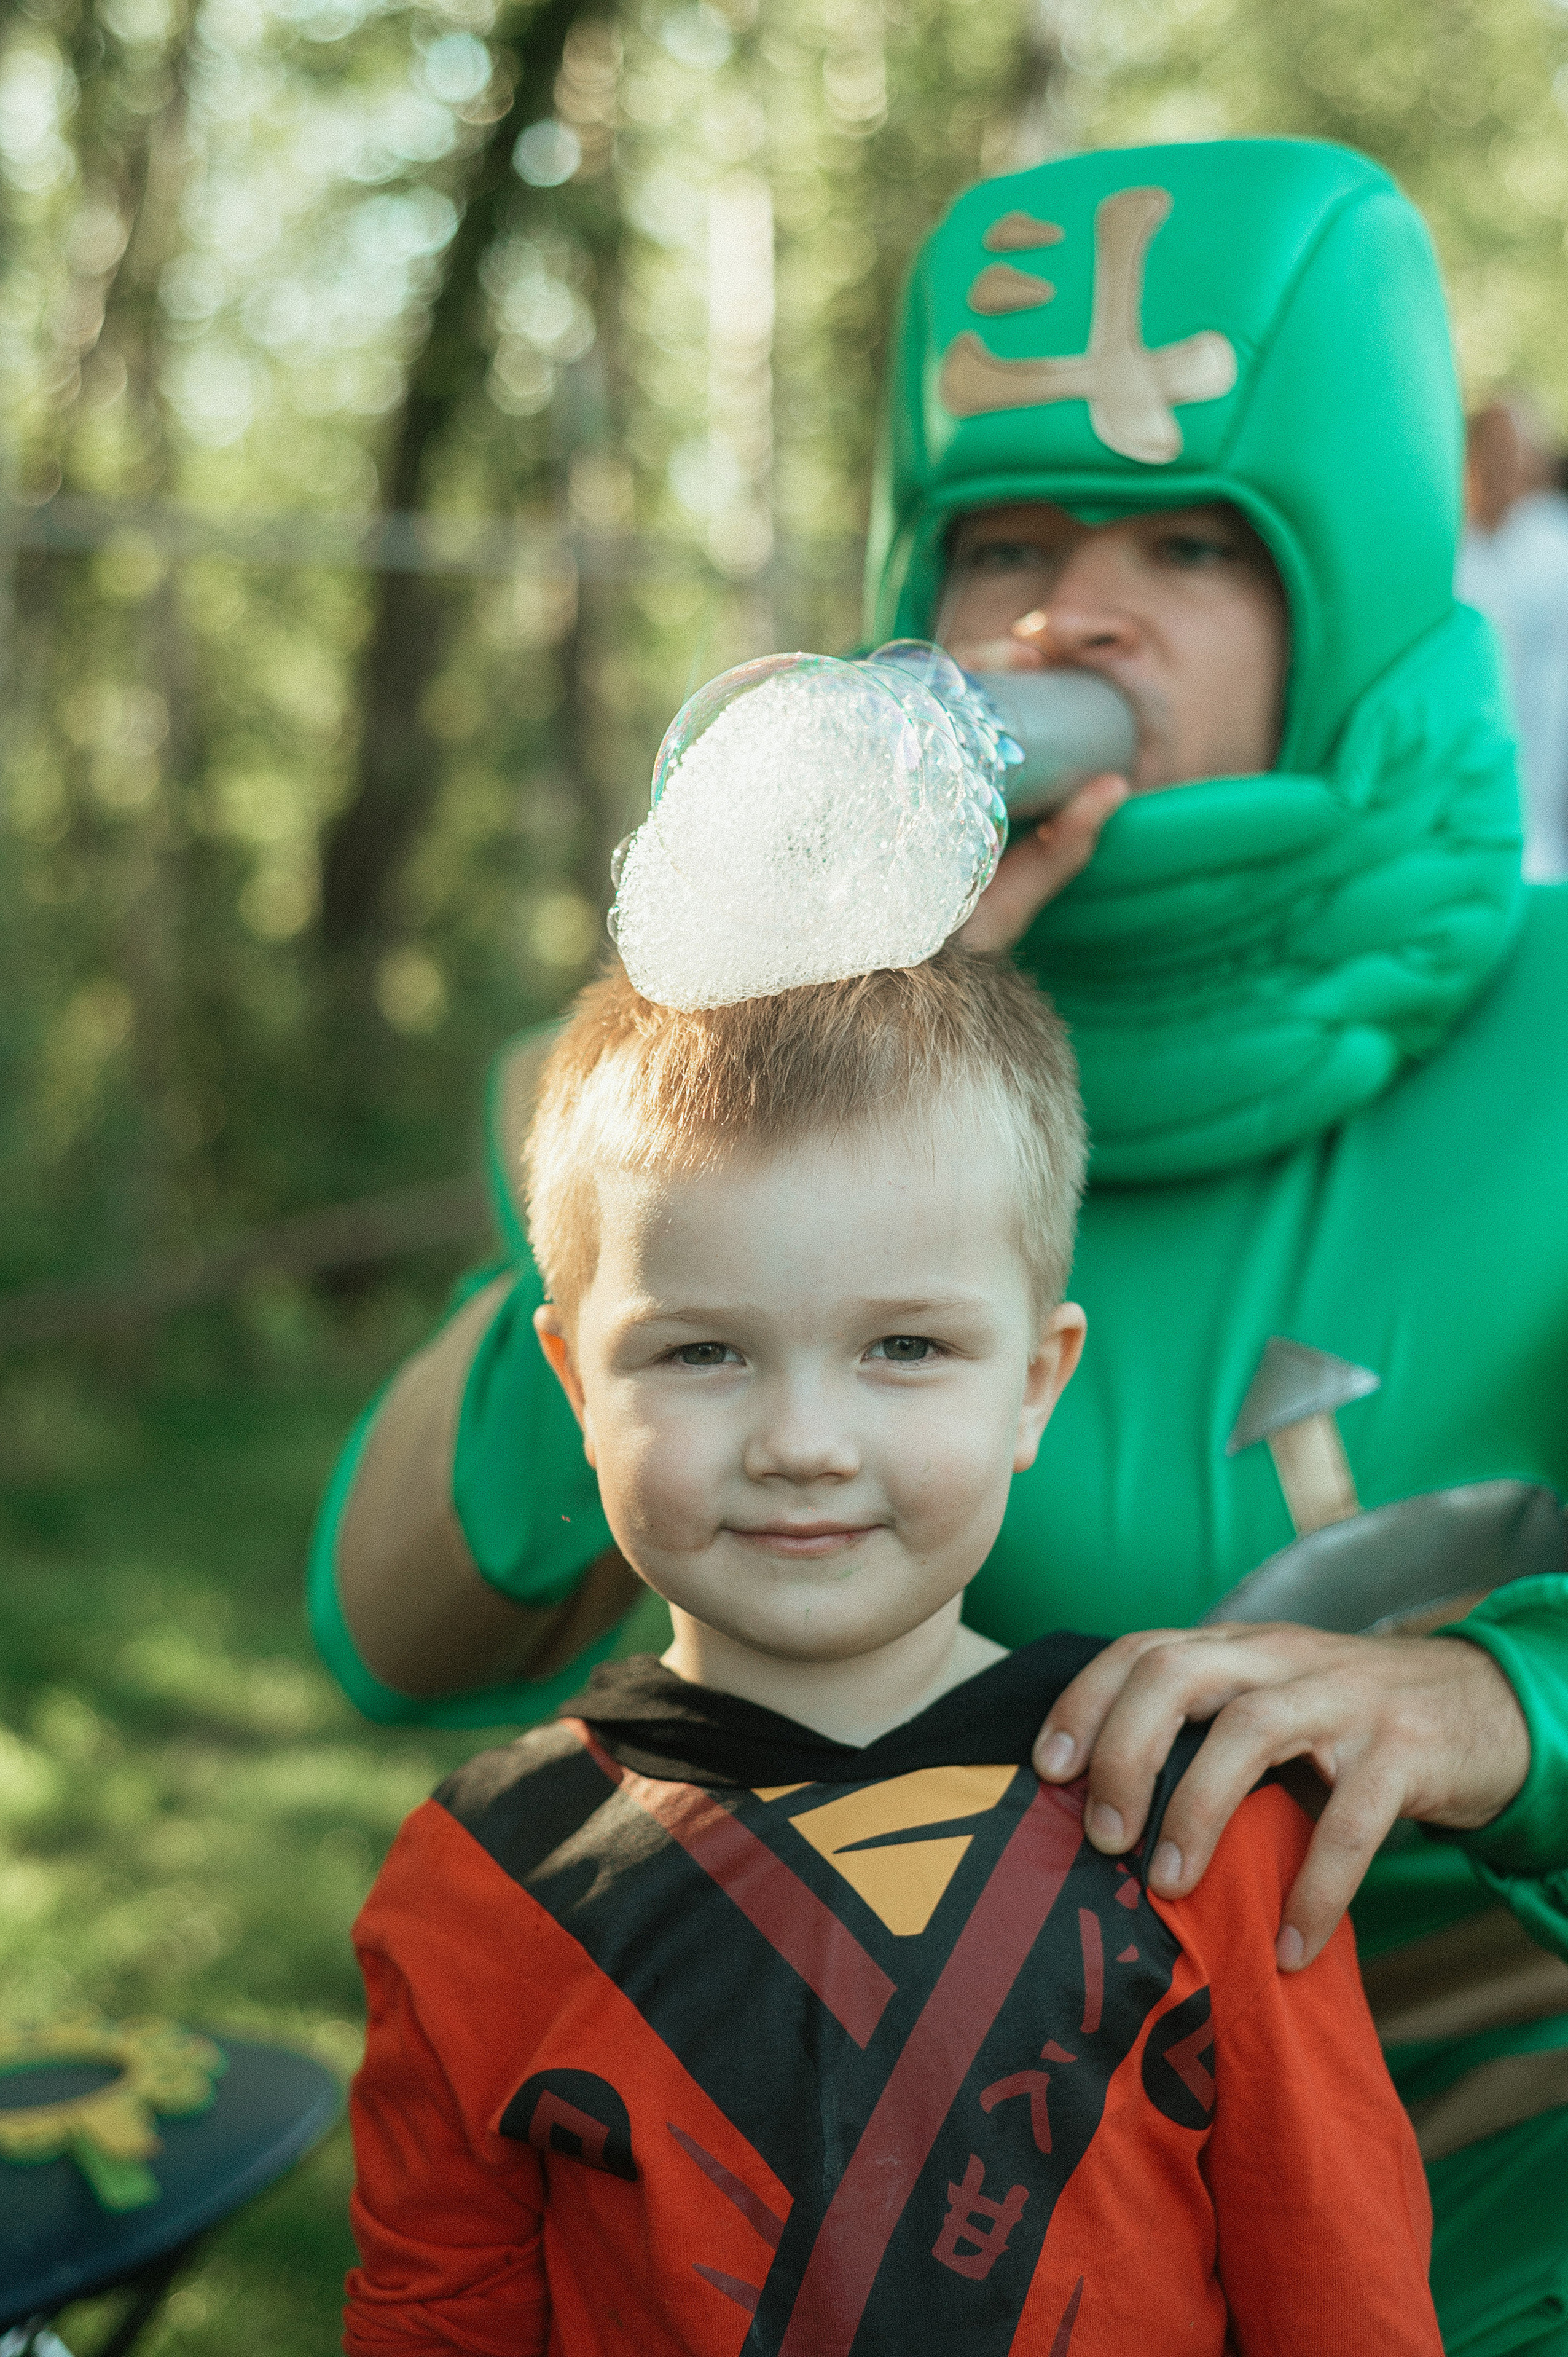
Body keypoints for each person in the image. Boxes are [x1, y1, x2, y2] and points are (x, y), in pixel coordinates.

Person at [313, 139, 1568, 2353]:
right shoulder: (829, 1028)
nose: (1071, 614)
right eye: (1004, 540)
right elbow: (391, 1624)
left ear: (1358, 582)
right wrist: (765, 1031)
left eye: (1188, 543)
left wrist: (1491, 1692)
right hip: (882, 2220)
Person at [345, 924, 1442, 2356]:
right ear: (572, 1376)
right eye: (700, 1350)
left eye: (904, 1347)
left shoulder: (1192, 1810)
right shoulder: (485, 1881)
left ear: (1035, 1381)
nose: (803, 1442)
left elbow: (1346, 2307)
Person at [1457, 397, 1568, 883]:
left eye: (1518, 453)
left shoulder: (1554, 546)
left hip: (1546, 793)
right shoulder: (1446, 548)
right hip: (1465, 791)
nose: (1507, 468)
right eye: (1495, 451)